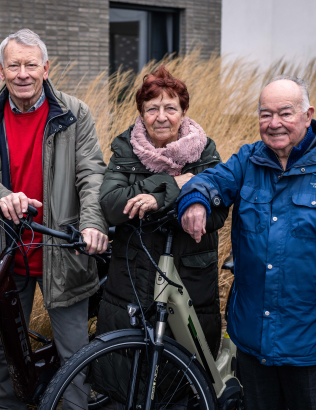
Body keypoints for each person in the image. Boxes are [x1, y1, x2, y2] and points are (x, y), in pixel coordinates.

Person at [178, 76, 316, 410]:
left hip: (312, 340)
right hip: (253, 337)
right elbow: (213, 179)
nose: (274, 124)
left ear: (307, 114)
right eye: (265, 114)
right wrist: (196, 200)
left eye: (285, 113)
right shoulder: (249, 160)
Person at [0, 29, 108, 410]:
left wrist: (93, 224)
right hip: (7, 254)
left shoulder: (74, 113)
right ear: (1, 72)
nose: (23, 73)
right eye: (14, 65)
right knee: (6, 354)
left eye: (31, 64)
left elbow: (92, 174)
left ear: (46, 69)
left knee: (74, 355)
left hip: (63, 251)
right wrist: (4, 197)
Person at [96, 66, 228, 357]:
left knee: (184, 368)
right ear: (142, 114)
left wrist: (155, 199)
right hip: (134, 273)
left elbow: (217, 213)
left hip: (189, 275)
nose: (161, 117)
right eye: (152, 108)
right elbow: (112, 204)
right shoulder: (126, 149)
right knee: (128, 365)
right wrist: (174, 183)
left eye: (171, 107)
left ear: (183, 112)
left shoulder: (204, 152)